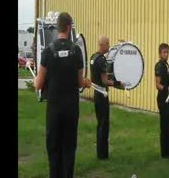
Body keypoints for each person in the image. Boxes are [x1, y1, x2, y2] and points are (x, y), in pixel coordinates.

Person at [34, 12, 91, 178]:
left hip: (54, 109)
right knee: (69, 147)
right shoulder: (76, 51)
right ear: (69, 27)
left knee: (54, 147)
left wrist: (38, 80)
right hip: (71, 108)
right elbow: (80, 83)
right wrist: (86, 83)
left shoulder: (48, 52)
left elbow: (38, 84)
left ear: (58, 27)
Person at [90, 35, 123, 159]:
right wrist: (117, 83)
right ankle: (103, 154)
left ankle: (100, 152)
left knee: (100, 123)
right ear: (102, 44)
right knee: (104, 124)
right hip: (102, 94)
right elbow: (105, 81)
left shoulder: (93, 57)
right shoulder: (101, 60)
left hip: (96, 94)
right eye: (107, 44)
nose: (109, 46)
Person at [154, 43, 169, 158]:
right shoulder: (159, 66)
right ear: (160, 53)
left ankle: (168, 150)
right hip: (162, 99)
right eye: (164, 52)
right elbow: (158, 85)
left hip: (167, 98)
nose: (166, 54)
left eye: (167, 52)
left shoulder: (167, 65)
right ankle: (164, 153)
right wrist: (167, 88)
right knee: (165, 125)